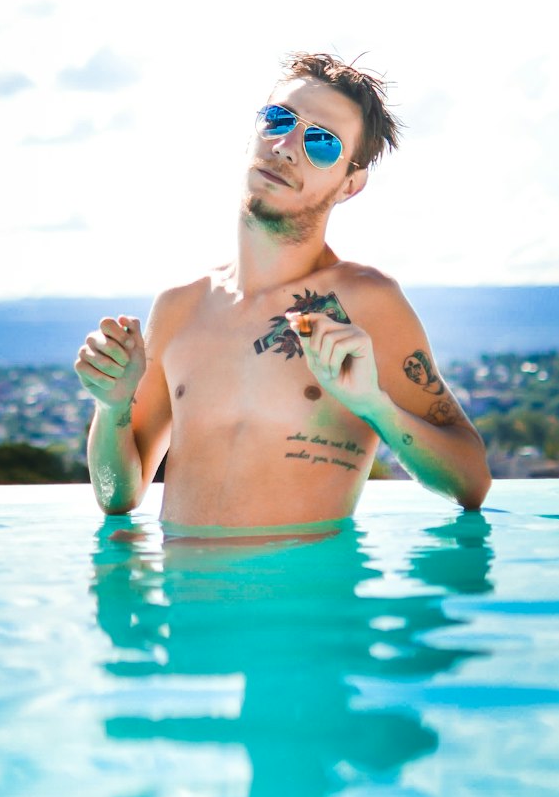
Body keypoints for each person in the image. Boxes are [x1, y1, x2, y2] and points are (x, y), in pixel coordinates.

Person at [75, 52, 491, 526]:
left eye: (322, 142)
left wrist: (374, 405)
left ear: (350, 184)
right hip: (183, 599)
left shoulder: (365, 302)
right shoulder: (180, 305)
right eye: (278, 119)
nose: (287, 146)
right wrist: (111, 408)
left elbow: (472, 482)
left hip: (303, 597)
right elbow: (118, 495)